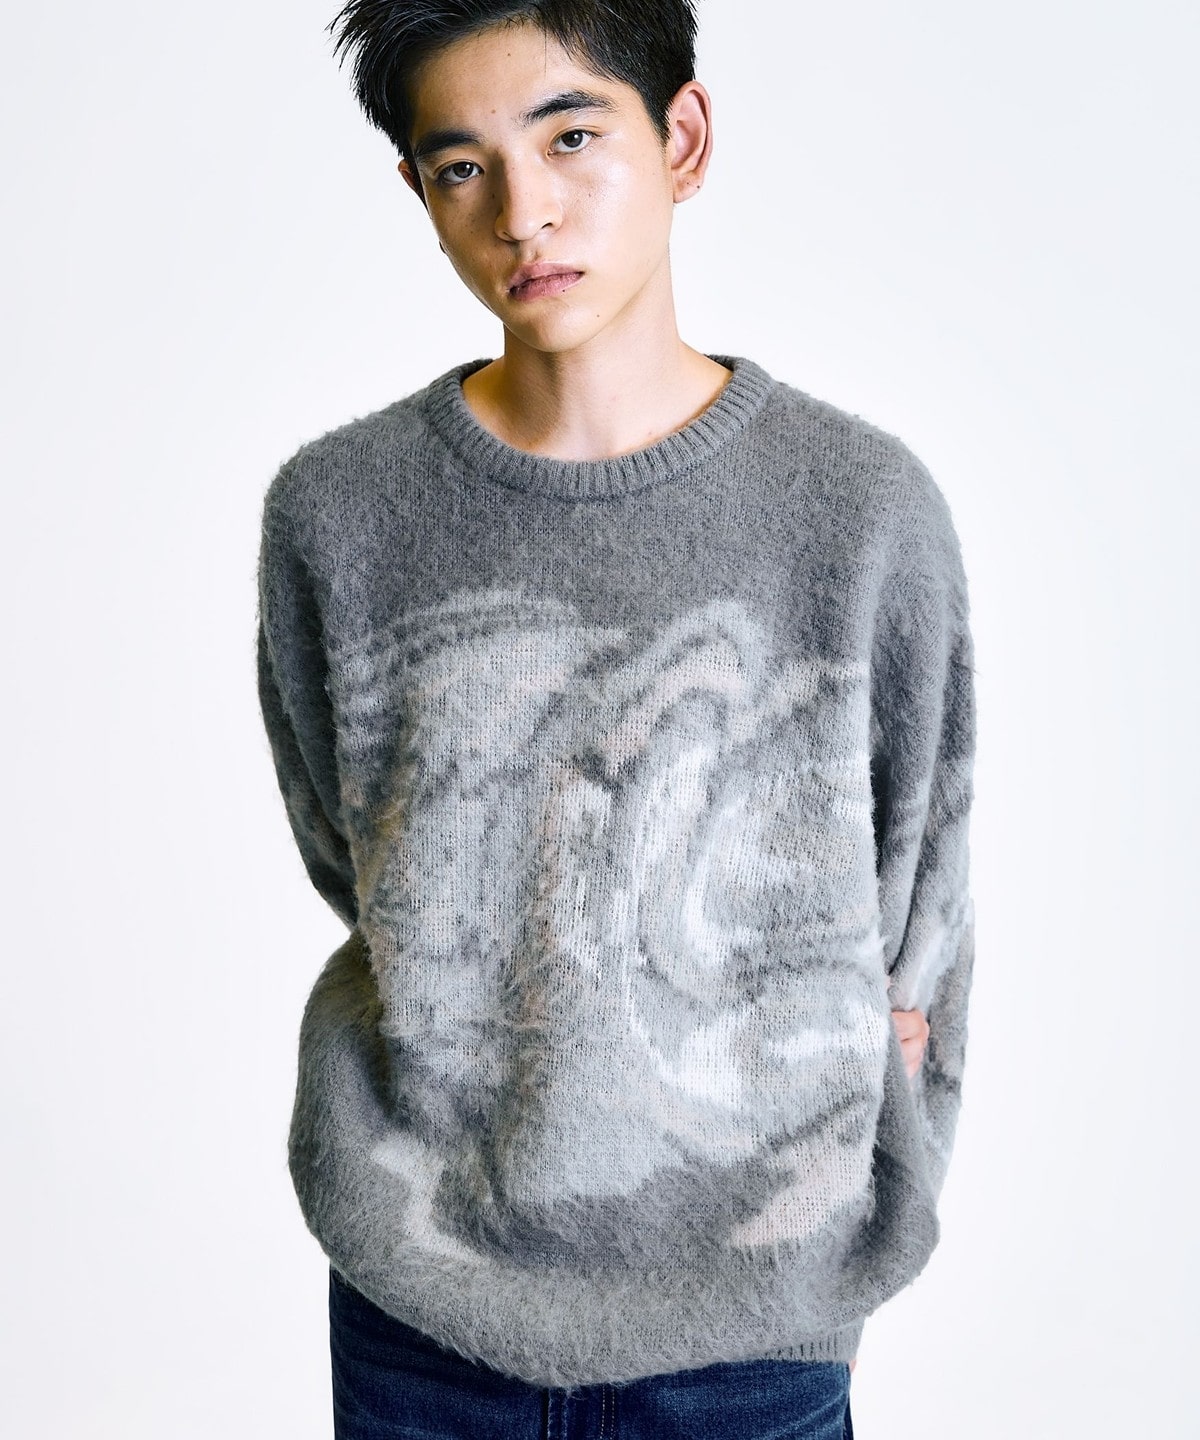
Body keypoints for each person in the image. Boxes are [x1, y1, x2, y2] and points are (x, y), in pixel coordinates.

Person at [254, 2, 977, 1435]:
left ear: (682, 139)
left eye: (573, 136)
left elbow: (920, 912)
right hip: (421, 1312)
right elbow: (353, 853)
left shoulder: (860, 512)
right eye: (461, 167)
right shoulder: (337, 513)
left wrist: (832, 1192)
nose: (523, 212)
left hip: (758, 1326)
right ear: (418, 191)